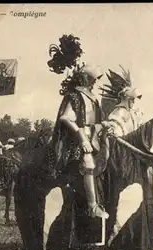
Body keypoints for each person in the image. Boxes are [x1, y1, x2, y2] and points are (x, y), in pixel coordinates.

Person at [50, 62, 109, 220]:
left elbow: (94, 120)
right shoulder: (74, 96)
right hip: (76, 141)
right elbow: (66, 118)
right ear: (85, 79)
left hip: (95, 138)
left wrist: (104, 125)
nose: (95, 82)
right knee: (88, 164)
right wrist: (82, 139)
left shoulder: (93, 98)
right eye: (92, 79)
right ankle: (92, 206)